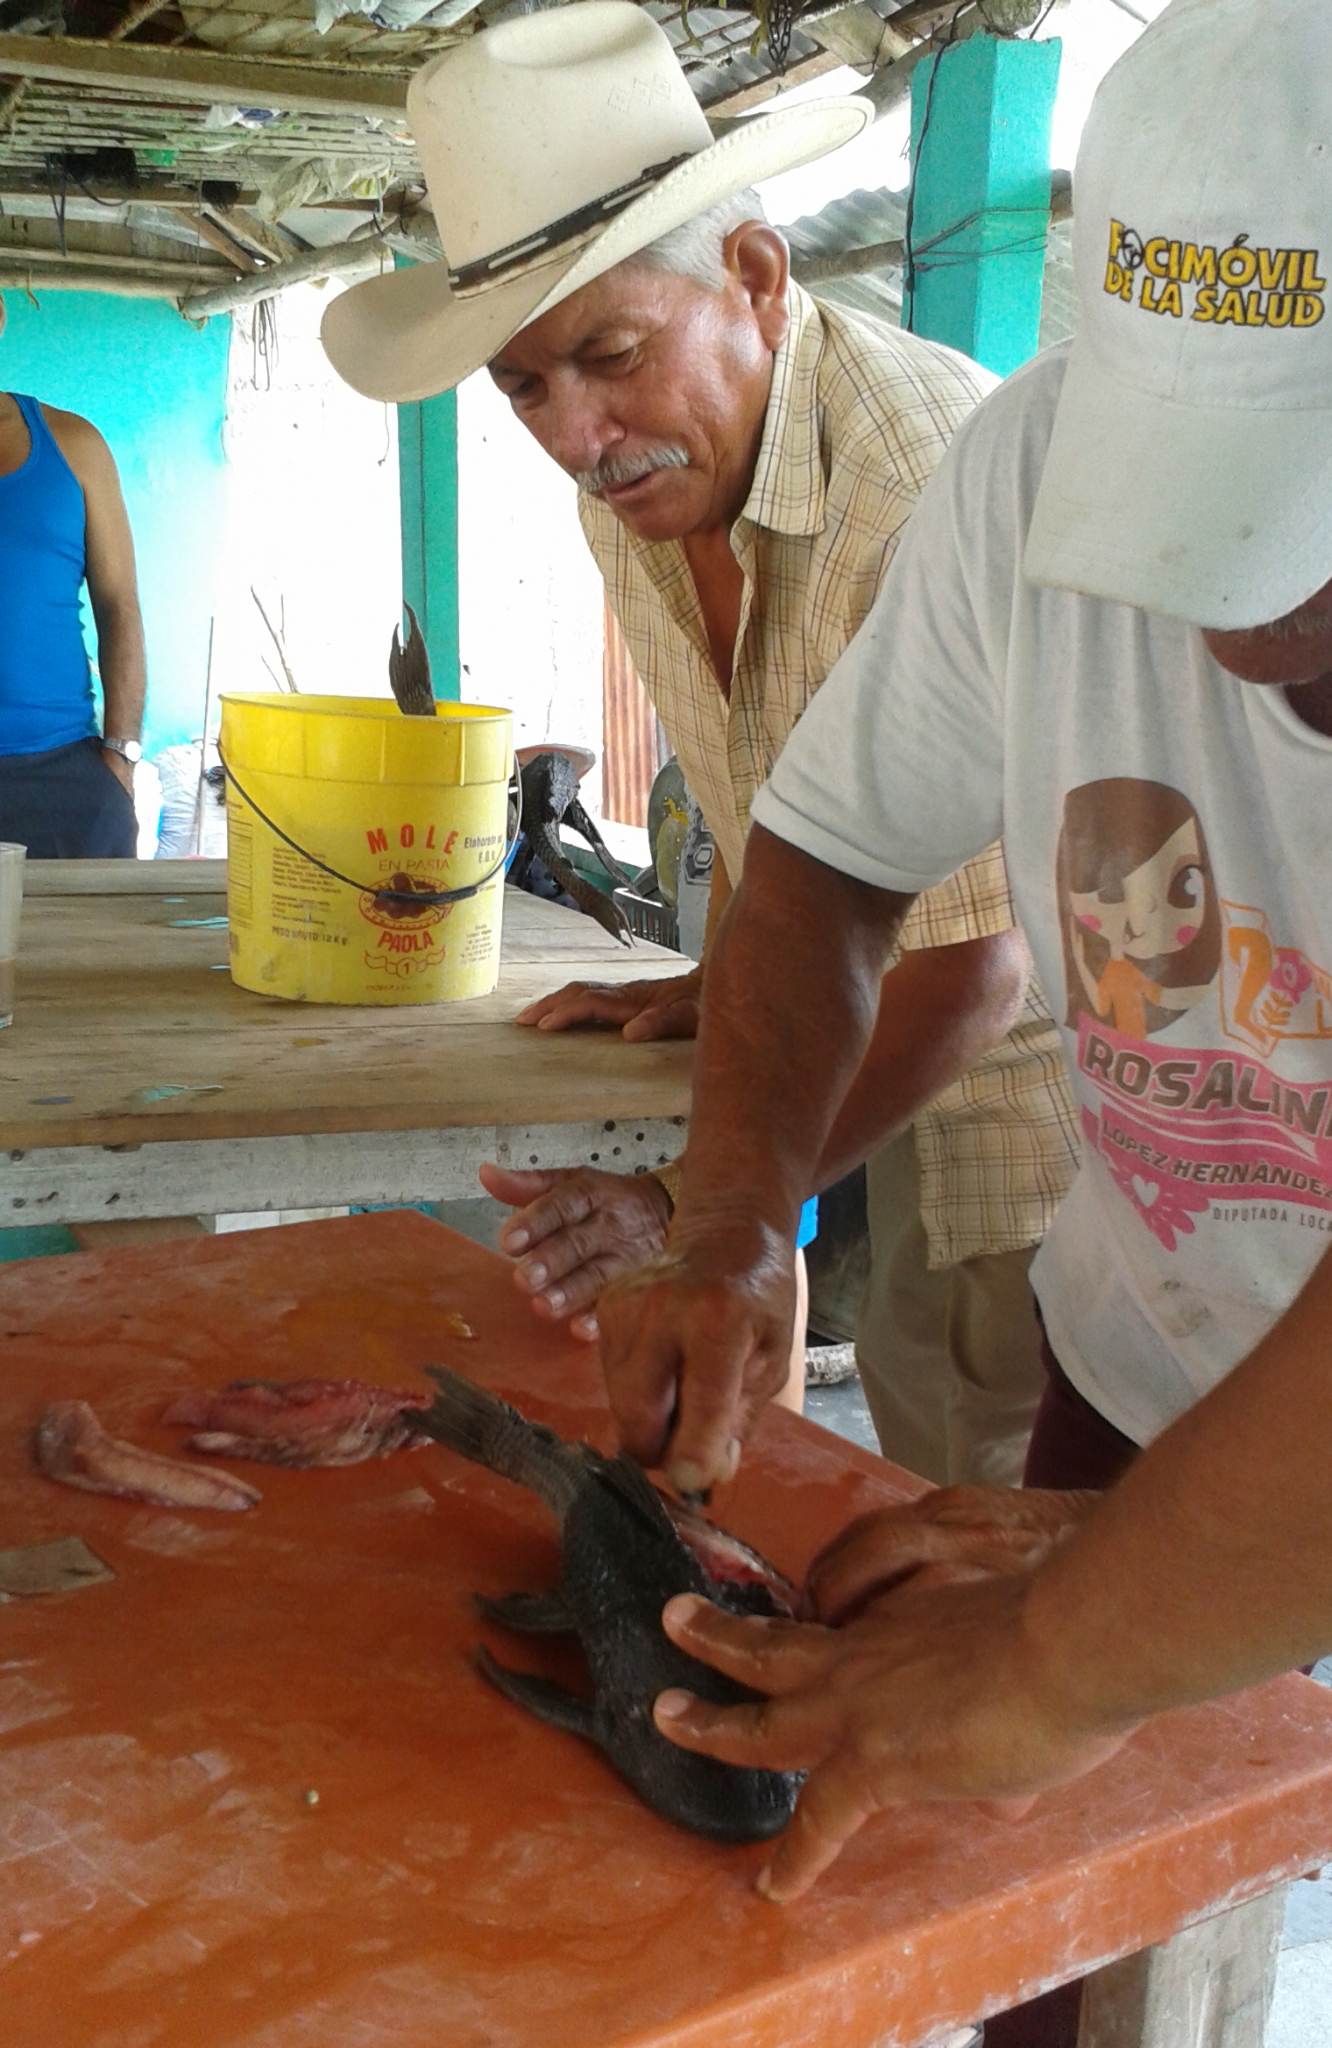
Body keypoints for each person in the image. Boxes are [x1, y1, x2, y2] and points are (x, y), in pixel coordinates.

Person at [588, 1, 1332, 2040]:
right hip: (1145, 1366)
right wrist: (739, 1224)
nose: (1242, 627)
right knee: (1031, 1947)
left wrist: (1061, 1648)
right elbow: (824, 861)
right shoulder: (1017, 474)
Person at [323, 1, 1079, 1483]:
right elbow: (778, 815)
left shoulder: (919, 479)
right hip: (860, 1059)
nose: (579, 433)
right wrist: (717, 981)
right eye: (526, 385)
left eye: (611, 354)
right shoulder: (642, 491)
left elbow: (980, 962)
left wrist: (702, 1206)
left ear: (753, 274)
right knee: (774, 1485)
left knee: (980, 1530)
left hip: (1026, 1121)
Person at [0, 318, 145, 857]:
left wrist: (120, 757)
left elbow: (119, 605)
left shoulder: (73, 445)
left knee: (90, 943)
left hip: (66, 775)